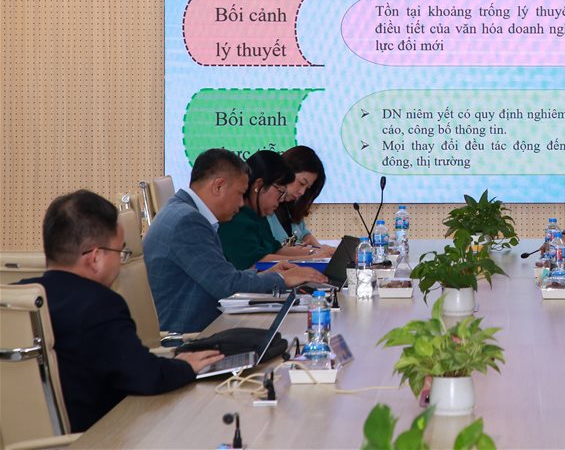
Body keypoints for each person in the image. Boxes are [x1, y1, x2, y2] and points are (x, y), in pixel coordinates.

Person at [17, 190, 223, 432]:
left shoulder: (19, 297)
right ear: (95, 258)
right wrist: (185, 366)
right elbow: (145, 377)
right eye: (120, 253)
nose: (121, 262)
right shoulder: (100, 304)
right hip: (97, 438)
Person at [144, 148, 326, 333]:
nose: (240, 203)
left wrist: (264, 275)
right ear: (218, 186)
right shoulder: (188, 222)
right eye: (239, 193)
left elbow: (222, 277)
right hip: (190, 335)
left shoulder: (183, 212)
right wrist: (282, 279)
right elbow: (227, 286)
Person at [217, 150, 332, 270]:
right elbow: (256, 262)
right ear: (258, 186)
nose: (281, 199)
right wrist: (313, 258)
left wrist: (318, 254)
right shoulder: (235, 218)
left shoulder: (258, 216)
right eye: (280, 191)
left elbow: (276, 250)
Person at [270, 145, 327, 248]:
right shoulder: (263, 207)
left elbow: (305, 235)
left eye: (307, 188)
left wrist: (322, 249)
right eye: (301, 183)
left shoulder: (292, 207)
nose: (302, 192)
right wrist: (314, 253)